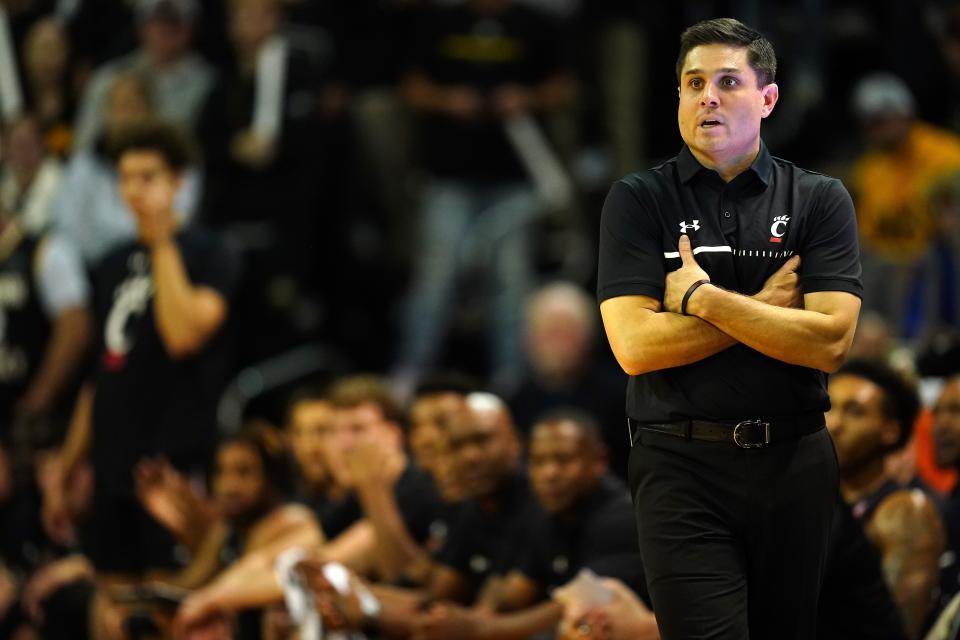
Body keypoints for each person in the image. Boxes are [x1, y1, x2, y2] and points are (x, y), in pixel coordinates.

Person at [597, 18, 862, 639]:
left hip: (795, 460)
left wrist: (703, 301)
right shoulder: (638, 200)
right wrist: (768, 308)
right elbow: (635, 348)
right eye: (693, 84)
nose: (707, 97)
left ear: (767, 100)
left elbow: (830, 341)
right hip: (679, 463)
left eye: (727, 81)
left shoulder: (820, 199)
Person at [41, 118, 242, 577]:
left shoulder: (211, 252)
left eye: (148, 177)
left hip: (171, 465)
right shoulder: (110, 263)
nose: (134, 191)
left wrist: (162, 240)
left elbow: (183, 335)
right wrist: (69, 467)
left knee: (166, 597)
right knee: (109, 599)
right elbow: (102, 373)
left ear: (179, 181)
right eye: (126, 178)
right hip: (112, 462)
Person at [825, 359, 942, 639]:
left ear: (890, 430)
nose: (835, 424)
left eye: (854, 412)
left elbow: (899, 630)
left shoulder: (905, 512)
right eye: (829, 408)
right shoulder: (815, 499)